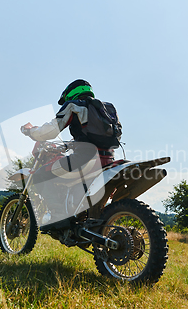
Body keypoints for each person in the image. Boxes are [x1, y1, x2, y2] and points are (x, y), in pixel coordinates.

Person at [20, 79, 122, 223]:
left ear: (70, 94)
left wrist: (31, 131)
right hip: (108, 160)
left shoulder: (74, 105)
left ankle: (58, 216)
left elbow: (50, 131)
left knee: (39, 175)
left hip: (84, 160)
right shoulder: (108, 108)